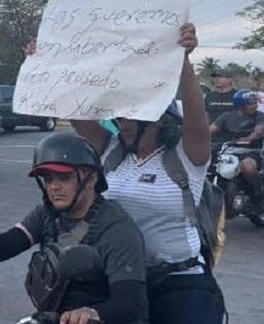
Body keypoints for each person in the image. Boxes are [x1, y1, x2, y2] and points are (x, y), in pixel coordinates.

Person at [68, 23, 226, 323]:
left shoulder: (185, 157)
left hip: (179, 278)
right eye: (121, 118)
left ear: (160, 122)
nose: (123, 125)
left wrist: (184, 60)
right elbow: (75, 114)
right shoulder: (112, 151)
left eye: (133, 119)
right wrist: (50, 64)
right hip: (120, 278)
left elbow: (195, 117)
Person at [0, 133, 148, 324]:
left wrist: (91, 313)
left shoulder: (116, 230)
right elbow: (9, 241)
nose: (54, 187)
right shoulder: (49, 213)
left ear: (91, 179)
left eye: (64, 177)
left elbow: (129, 304)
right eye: (48, 179)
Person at [209, 89, 264, 211]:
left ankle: (259, 194)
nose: (254, 105)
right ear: (240, 105)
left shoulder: (260, 116)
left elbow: (259, 130)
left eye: (255, 102)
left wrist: (249, 138)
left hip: (252, 151)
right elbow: (211, 129)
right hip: (228, 151)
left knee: (248, 167)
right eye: (250, 103)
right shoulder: (226, 116)